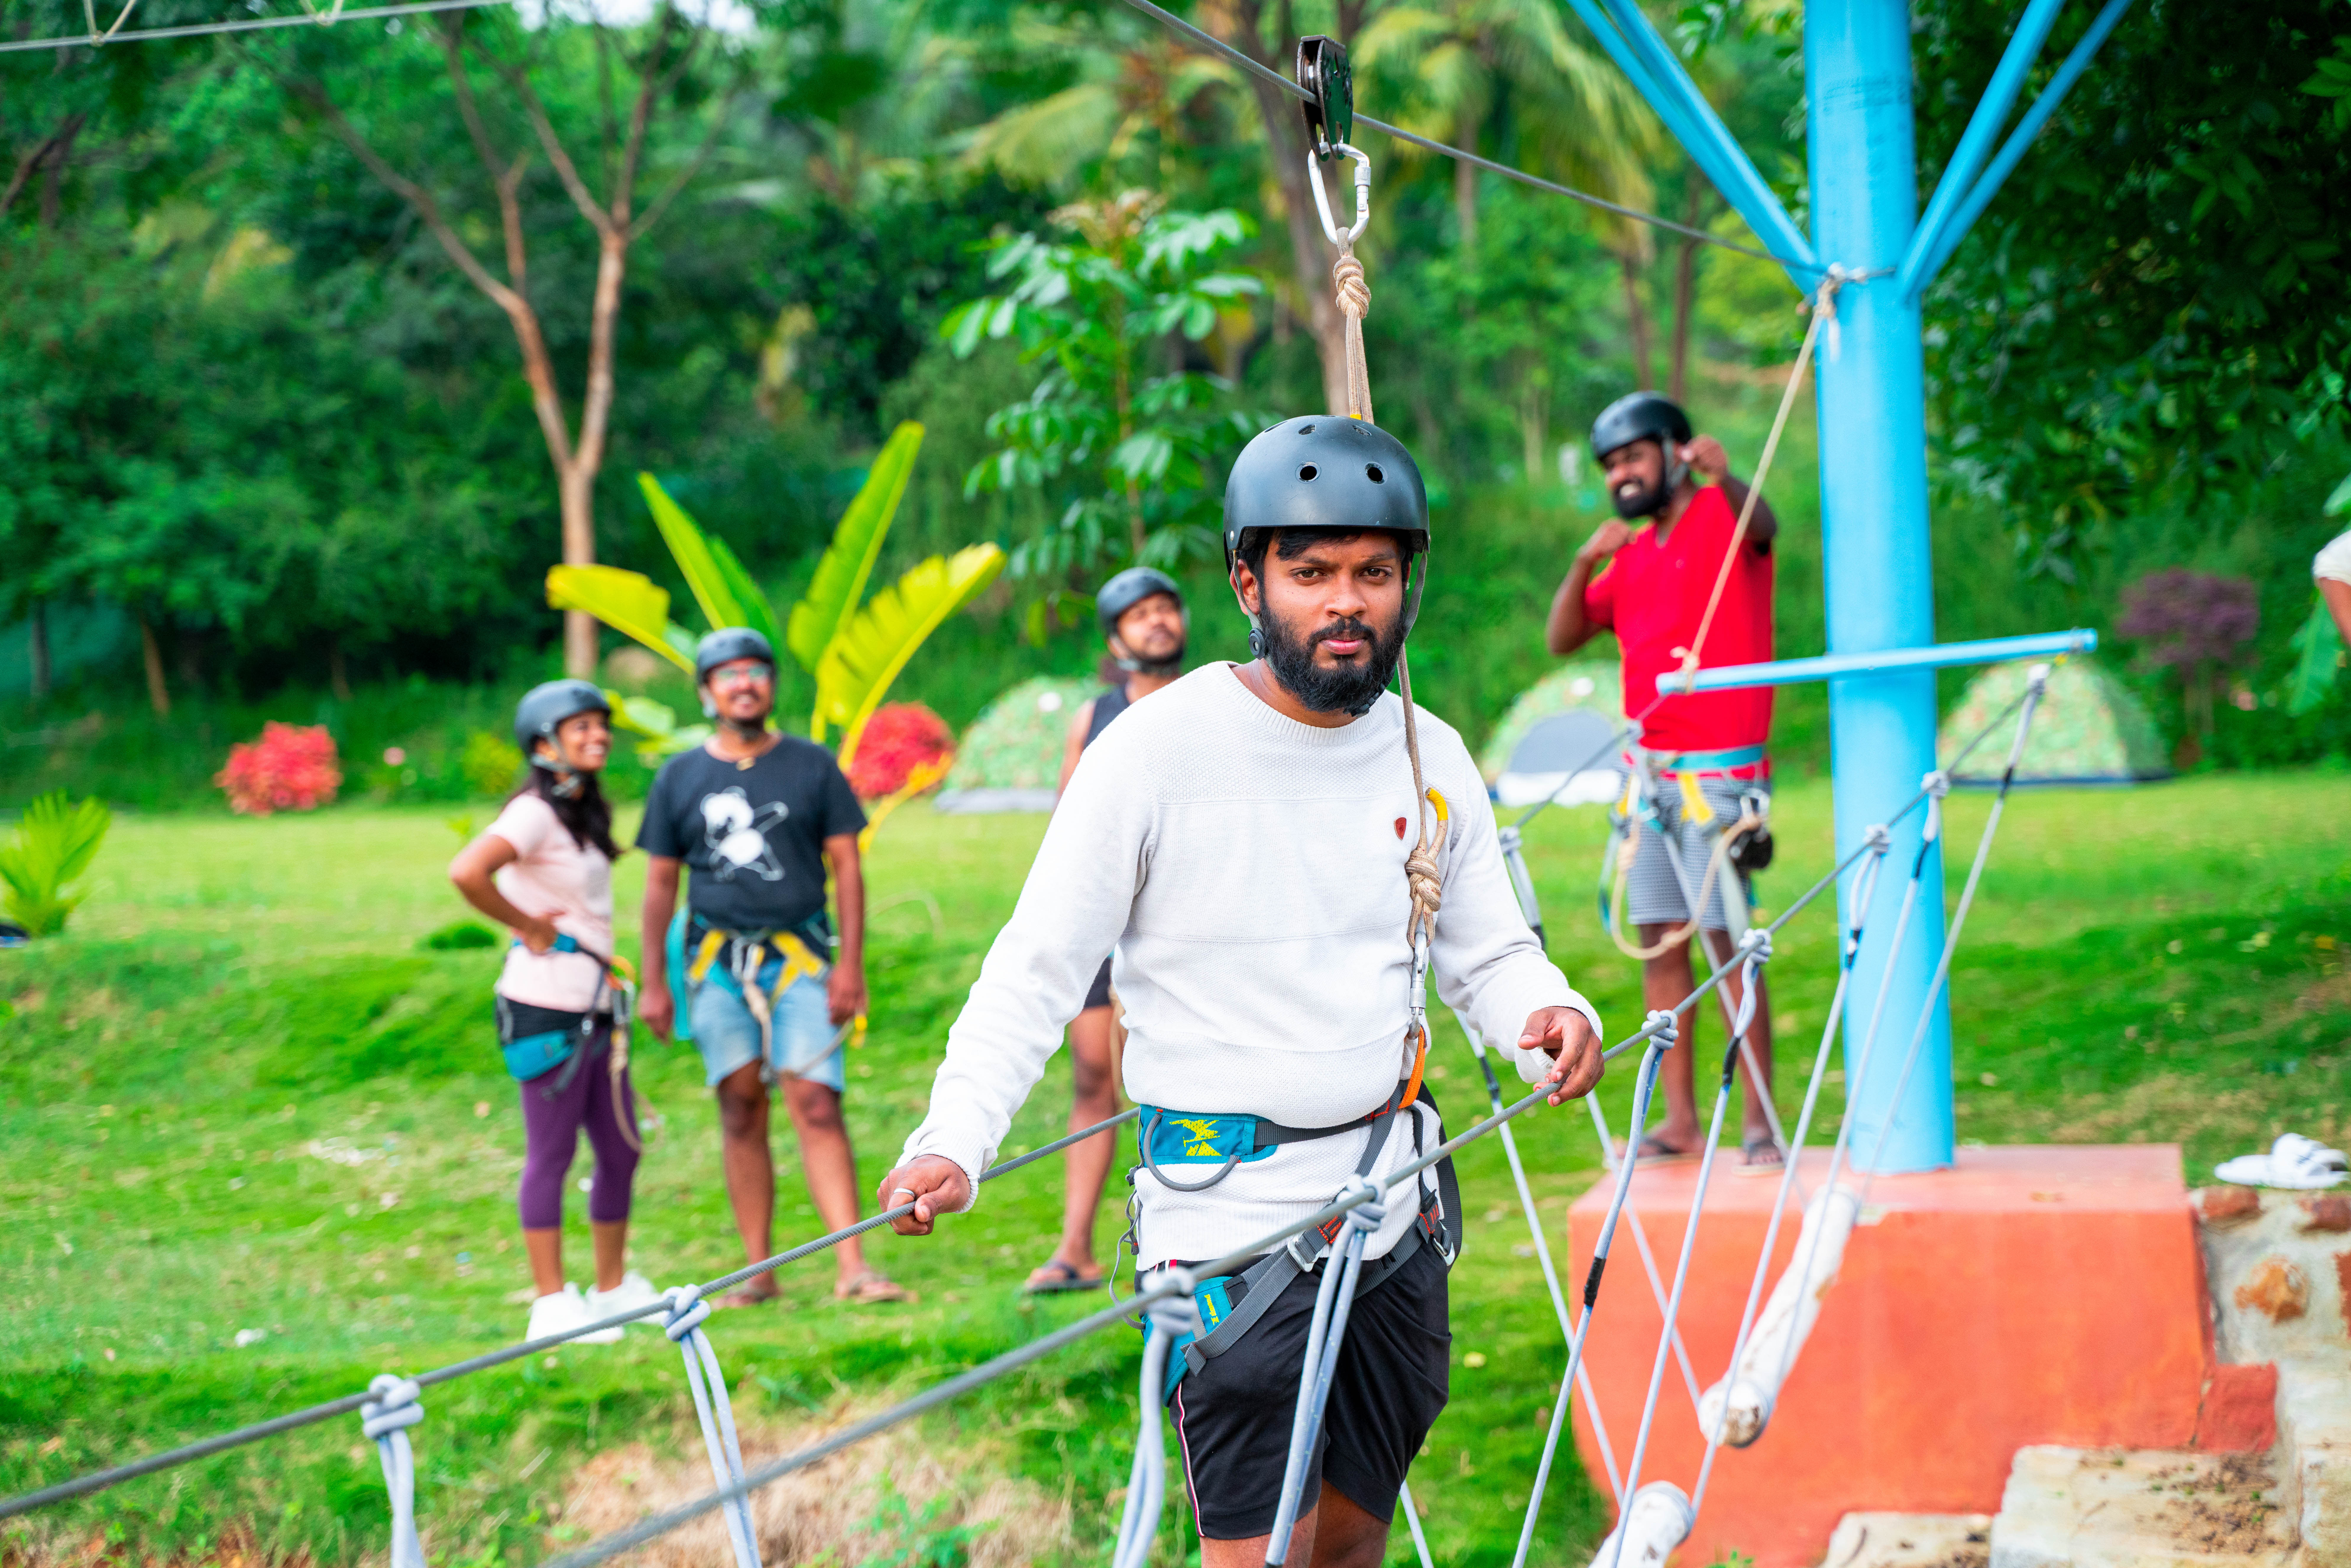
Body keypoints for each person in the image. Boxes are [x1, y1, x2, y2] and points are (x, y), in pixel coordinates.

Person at [878, 418, 1606, 1567]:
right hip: (1227, 1229)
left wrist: (1548, 1017)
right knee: (1259, 1558)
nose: (1344, 603)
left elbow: (1488, 952)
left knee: (1352, 1548)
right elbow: (1036, 969)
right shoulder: (1150, 754)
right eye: (1309, 573)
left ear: (1407, 584)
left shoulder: (1432, 752)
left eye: (1372, 573)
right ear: (1245, 580)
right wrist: (953, 1141)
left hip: (1393, 1212)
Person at [1544, 390, 1784, 1173]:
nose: (1621, 476)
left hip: (1718, 780)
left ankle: (1758, 1122)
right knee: (1659, 944)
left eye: (1633, 457)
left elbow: (1767, 529)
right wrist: (1587, 560)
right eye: (1611, 466)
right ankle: (1679, 1123)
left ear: (1675, 452)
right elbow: (1564, 636)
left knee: (1727, 946)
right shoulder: (1632, 557)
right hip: (1649, 781)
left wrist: (1730, 479)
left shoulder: (1724, 515)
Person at [636, 628, 911, 1306]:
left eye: (755, 672)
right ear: (706, 692)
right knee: (738, 1106)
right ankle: (758, 1270)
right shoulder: (679, 777)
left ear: (770, 684)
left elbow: (847, 865)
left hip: (802, 961)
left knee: (817, 1101)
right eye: (727, 676)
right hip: (715, 965)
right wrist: (653, 983)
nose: (744, 684)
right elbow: (658, 886)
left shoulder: (812, 766)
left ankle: (853, 1266)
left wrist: (851, 964)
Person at [449, 680, 658, 1342]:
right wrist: (528, 927)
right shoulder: (535, 810)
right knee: (553, 1153)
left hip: (596, 1007)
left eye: (602, 725)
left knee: (620, 1151)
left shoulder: (579, 809)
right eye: (581, 728)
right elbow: (468, 872)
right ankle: (550, 1303)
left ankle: (610, 1287)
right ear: (544, 745)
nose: (598, 735)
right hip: (546, 1008)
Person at [1023, 566, 1191, 1295]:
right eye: (1140, 614)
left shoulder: (1209, 703)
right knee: (1095, 1072)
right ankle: (1075, 1249)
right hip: (1105, 921)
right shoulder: (1093, 719)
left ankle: (1181, 1241)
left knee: (1180, 1075)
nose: (1156, 622)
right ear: (1115, 635)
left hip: (1183, 924)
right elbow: (1070, 830)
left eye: (1166, 609)